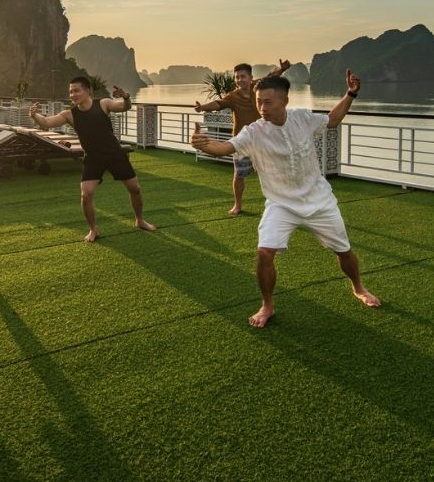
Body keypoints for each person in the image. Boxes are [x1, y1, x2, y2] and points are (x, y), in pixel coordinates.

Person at [191, 69, 379, 327]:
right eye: (259, 102)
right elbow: (225, 147)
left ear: (285, 101)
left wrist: (351, 94)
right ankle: (267, 305)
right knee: (264, 253)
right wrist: (204, 144)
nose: (262, 108)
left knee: (344, 251)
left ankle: (358, 287)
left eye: (267, 102)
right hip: (281, 204)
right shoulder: (253, 131)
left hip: (319, 200)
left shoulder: (302, 118)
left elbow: (333, 120)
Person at [29, 77, 157, 242]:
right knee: (86, 194)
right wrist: (34, 115)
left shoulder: (103, 104)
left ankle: (140, 220)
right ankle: (93, 230)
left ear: (87, 90)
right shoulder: (69, 114)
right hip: (93, 158)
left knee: (135, 189)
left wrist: (125, 96)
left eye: (76, 90)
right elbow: (46, 121)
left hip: (114, 154)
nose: (73, 95)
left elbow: (125, 107)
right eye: (70, 92)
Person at [194, 59, 291, 215]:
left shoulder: (258, 88)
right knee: (239, 175)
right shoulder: (233, 96)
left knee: (276, 172)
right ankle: (237, 205)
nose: (240, 80)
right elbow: (219, 104)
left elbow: (272, 76)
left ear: (251, 77)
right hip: (243, 142)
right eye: (237, 77)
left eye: (243, 76)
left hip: (264, 139)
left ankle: (283, 205)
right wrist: (202, 107)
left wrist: (282, 69)